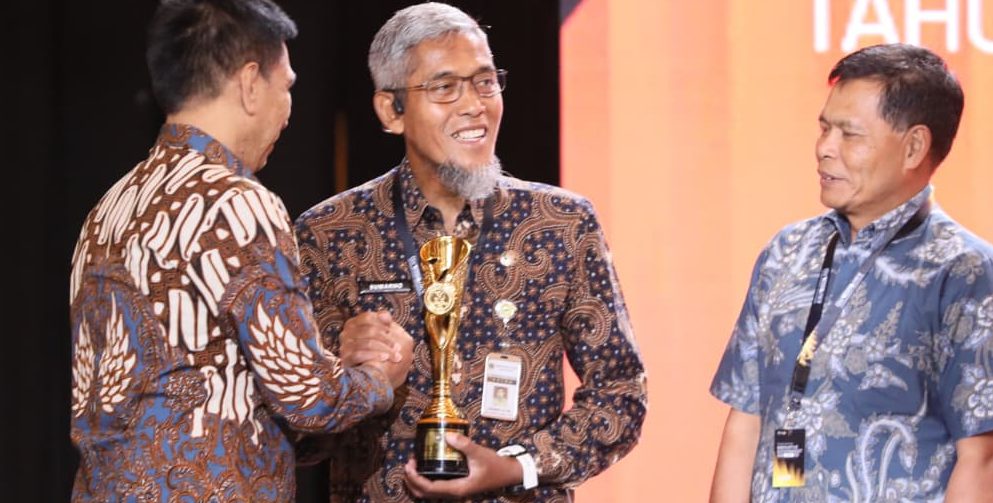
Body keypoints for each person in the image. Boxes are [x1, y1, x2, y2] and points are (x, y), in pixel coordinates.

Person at [294, 2, 647, 501]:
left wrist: (515, 467)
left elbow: (620, 394)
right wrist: (341, 373)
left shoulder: (560, 224)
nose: (474, 105)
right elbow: (297, 437)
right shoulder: (331, 233)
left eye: (485, 82)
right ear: (391, 110)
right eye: (444, 88)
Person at [68, 0, 413, 500]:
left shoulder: (109, 208)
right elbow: (308, 397)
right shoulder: (237, 202)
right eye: (286, 86)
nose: (288, 111)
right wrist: (380, 378)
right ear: (251, 82)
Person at [709, 43, 993, 502]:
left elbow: (980, 457)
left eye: (849, 134)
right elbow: (746, 419)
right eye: (824, 128)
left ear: (914, 147)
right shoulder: (787, 251)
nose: (825, 148)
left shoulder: (964, 271)